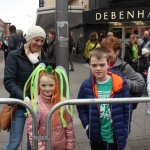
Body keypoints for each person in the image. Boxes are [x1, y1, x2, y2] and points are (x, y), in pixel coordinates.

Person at [77, 48, 132, 150]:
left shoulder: (120, 83)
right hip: (96, 136)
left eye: (102, 65)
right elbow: (81, 107)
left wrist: (125, 129)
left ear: (108, 64)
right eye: (94, 65)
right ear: (90, 65)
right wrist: (87, 125)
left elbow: (127, 108)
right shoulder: (86, 85)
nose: (98, 68)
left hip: (115, 136)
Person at [4, 25, 48, 150]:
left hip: (37, 107)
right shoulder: (14, 56)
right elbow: (9, 82)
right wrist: (25, 98)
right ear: (29, 39)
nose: (39, 43)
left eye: (42, 41)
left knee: (33, 143)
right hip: (19, 106)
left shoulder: (43, 58)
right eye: (36, 40)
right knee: (14, 143)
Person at [25, 65, 76, 149]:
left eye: (51, 85)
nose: (47, 89)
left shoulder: (63, 102)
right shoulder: (34, 104)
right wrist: (40, 147)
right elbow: (32, 129)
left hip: (61, 146)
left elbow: (69, 126)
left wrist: (70, 144)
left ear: (56, 84)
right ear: (39, 85)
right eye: (43, 85)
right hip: (43, 146)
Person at [101, 36, 145, 110]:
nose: (105, 54)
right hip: (101, 110)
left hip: (119, 110)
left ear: (117, 52)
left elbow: (140, 84)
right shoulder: (98, 65)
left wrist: (121, 81)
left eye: (108, 51)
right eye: (103, 51)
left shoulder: (124, 67)